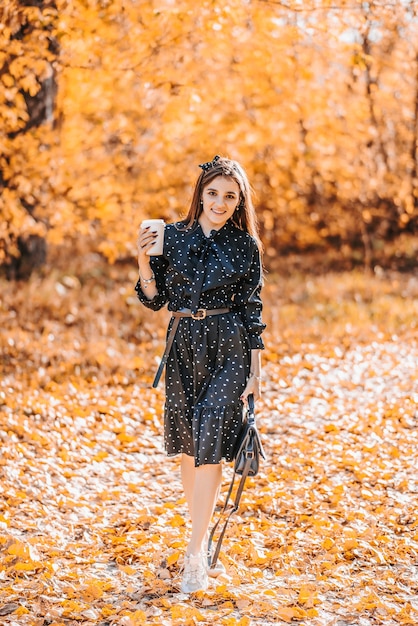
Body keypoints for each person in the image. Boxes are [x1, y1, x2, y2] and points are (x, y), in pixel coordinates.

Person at [135, 155, 265, 594]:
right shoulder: (172, 236)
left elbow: (253, 310)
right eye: (213, 193)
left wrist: (256, 372)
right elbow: (155, 300)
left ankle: (194, 555)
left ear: (239, 200)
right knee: (189, 448)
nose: (220, 202)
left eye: (230, 196)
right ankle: (201, 536)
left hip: (228, 345)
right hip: (184, 345)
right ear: (200, 194)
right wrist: (143, 262)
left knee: (210, 434)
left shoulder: (246, 246)